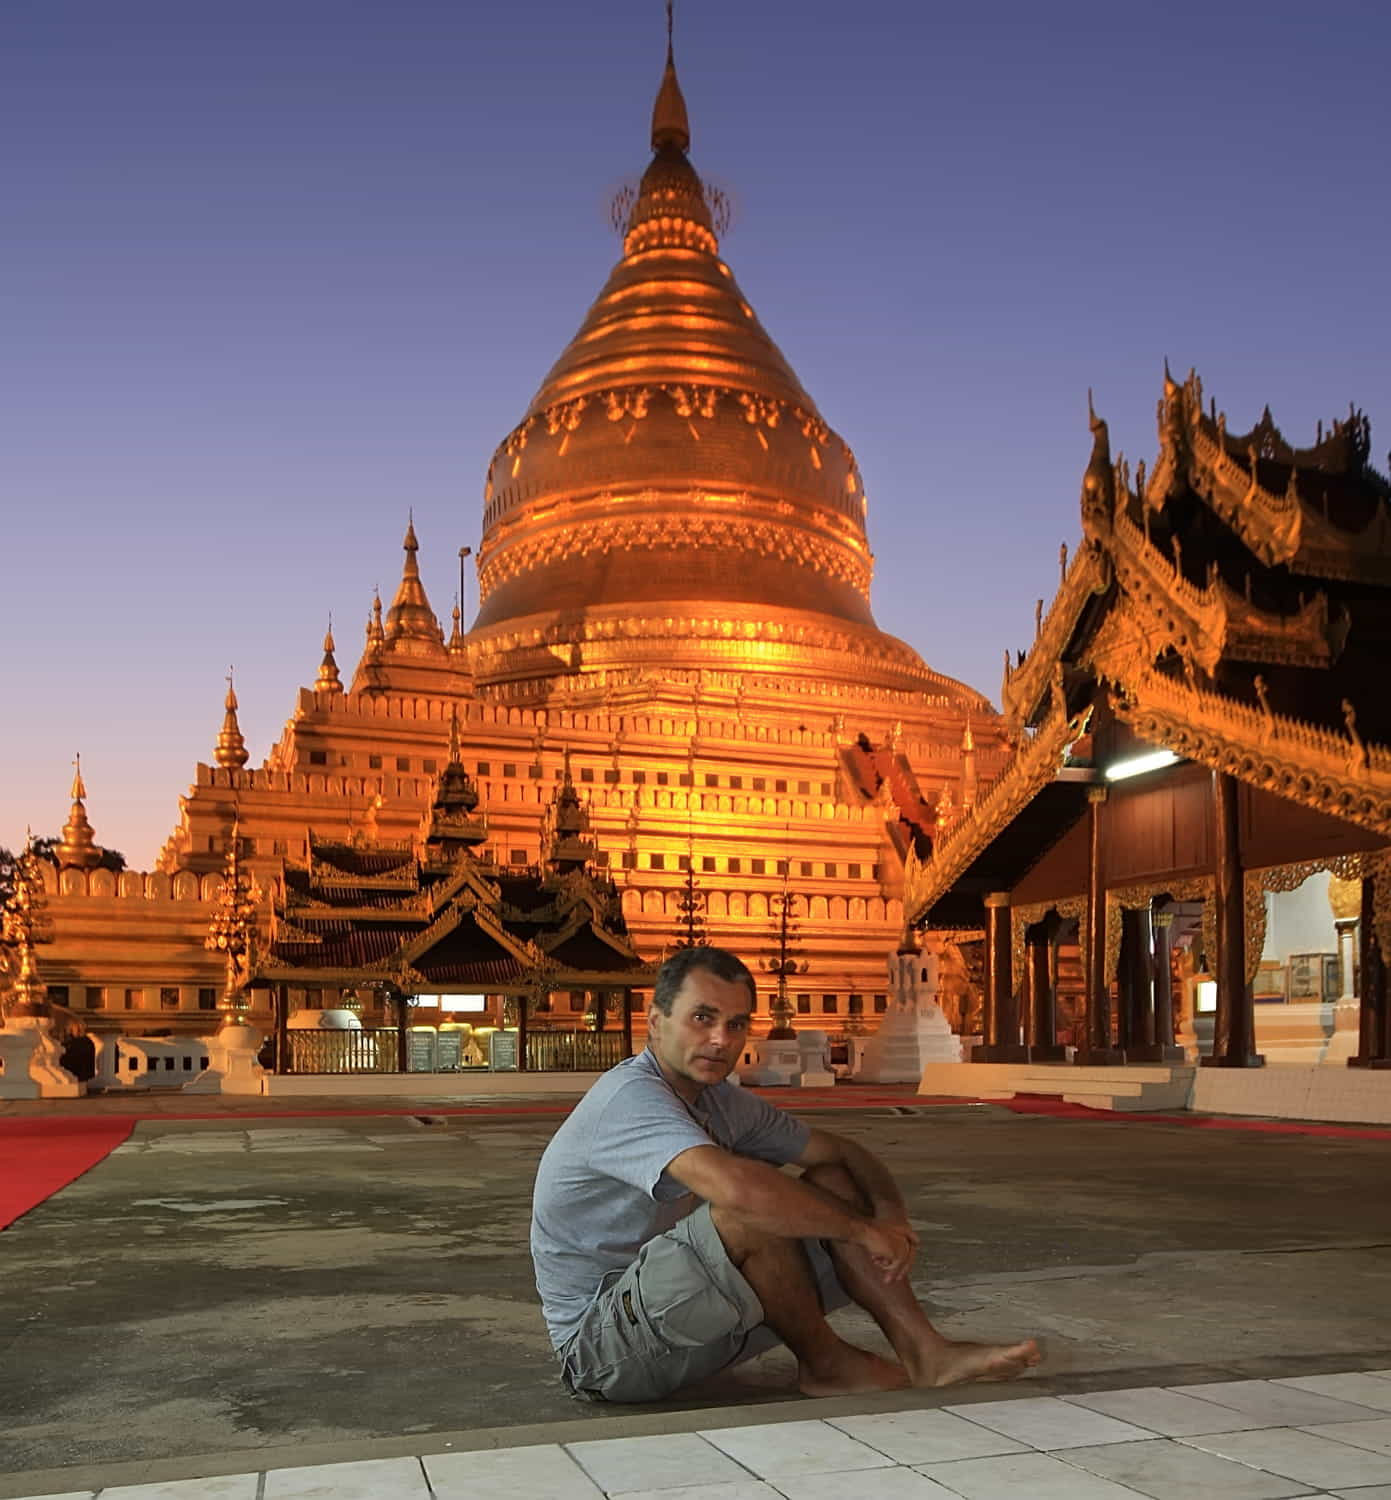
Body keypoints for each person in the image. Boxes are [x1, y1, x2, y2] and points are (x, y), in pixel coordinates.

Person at [529, 944, 1040, 1403]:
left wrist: (890, 1216)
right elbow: (737, 1191)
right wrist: (860, 1231)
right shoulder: (630, 1099)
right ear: (656, 1021)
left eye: (735, 1024)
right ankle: (827, 1365)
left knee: (833, 1182)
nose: (719, 1040)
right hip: (603, 1350)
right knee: (747, 1205)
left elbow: (840, 1152)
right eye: (701, 1018)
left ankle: (927, 1352)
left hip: (684, 1321)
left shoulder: (721, 1101)